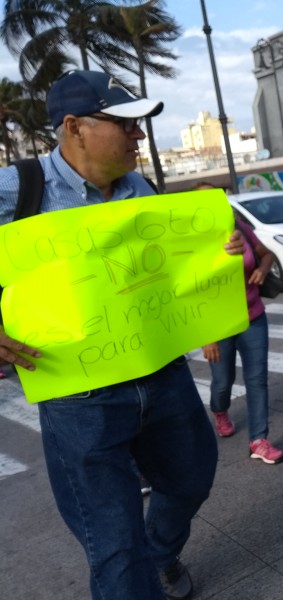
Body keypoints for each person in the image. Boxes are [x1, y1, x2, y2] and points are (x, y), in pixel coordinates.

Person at [0, 70, 245, 600]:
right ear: (74, 127)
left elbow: (167, 273)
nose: (140, 137)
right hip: (78, 395)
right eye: (126, 125)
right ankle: (137, 567)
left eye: (141, 127)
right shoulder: (17, 188)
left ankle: (157, 554)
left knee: (191, 479)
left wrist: (214, 259)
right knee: (113, 541)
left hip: (163, 374)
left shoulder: (141, 188)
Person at [195, 182, 283, 465]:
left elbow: (267, 253)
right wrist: (206, 335)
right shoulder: (190, 241)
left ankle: (259, 440)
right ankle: (219, 410)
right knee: (223, 382)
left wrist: (261, 268)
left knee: (257, 380)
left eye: (218, 199)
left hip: (253, 316)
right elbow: (190, 293)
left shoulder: (239, 227)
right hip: (219, 325)